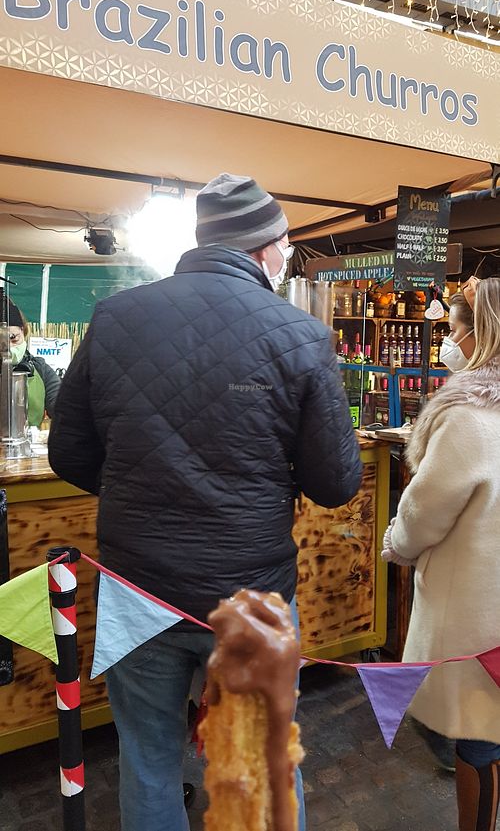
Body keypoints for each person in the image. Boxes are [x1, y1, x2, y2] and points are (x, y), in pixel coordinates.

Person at [48, 173, 362, 831]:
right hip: (251, 594)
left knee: (148, 761)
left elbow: (68, 453)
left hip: (141, 592)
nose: (287, 257)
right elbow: (336, 482)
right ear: (265, 246)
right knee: (267, 767)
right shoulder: (300, 335)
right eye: (285, 244)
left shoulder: (116, 316)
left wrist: (140, 484)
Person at [382, 277, 500, 831]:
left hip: (480, 617)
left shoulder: (467, 416)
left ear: (482, 336)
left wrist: (396, 545)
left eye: (454, 329)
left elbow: (424, 512)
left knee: (479, 740)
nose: (447, 342)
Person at [8, 300, 61, 426]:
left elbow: (61, 406)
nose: (9, 348)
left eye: (14, 338)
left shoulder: (40, 368)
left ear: (23, 331)